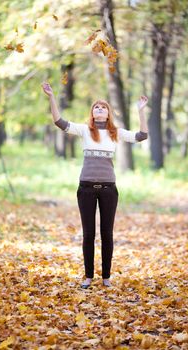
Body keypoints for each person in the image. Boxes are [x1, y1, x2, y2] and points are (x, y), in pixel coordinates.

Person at [41, 82, 148, 288]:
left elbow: (142, 136)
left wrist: (140, 111)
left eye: (103, 107)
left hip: (109, 190)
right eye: (96, 107)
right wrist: (51, 97)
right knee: (88, 233)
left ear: (108, 113)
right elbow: (59, 122)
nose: (99, 109)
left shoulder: (116, 133)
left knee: (107, 233)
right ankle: (88, 276)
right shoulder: (84, 131)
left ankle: (106, 277)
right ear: (92, 113)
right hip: (86, 189)